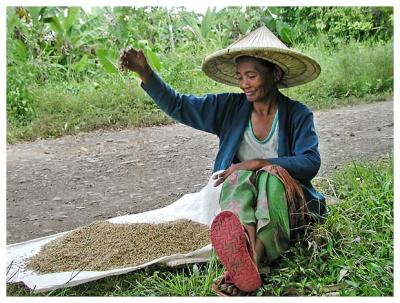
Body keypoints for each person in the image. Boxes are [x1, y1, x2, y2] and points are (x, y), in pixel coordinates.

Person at [119, 25, 327, 296]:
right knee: (235, 176)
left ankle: (255, 258)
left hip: (282, 200)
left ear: (273, 73)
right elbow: (181, 106)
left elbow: (310, 162)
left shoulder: (298, 114)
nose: (244, 84)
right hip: (242, 194)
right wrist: (145, 72)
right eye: (240, 76)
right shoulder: (230, 107)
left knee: (270, 175)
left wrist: (258, 162)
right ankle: (246, 256)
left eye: (251, 76)